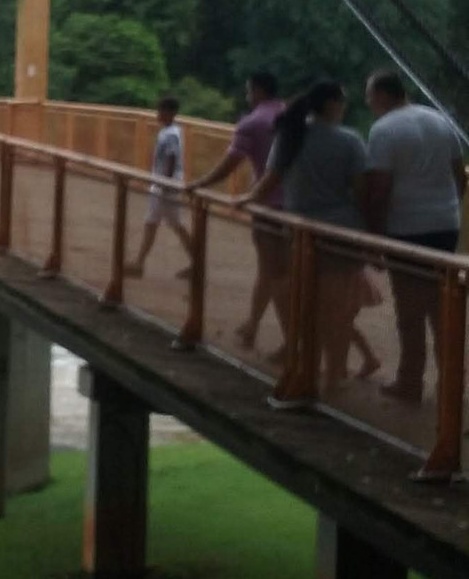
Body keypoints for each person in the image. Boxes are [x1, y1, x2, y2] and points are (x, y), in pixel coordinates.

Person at [233, 81, 380, 390]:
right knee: (337, 310)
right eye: (342, 103)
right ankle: (333, 375)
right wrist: (373, 233)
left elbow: (269, 181)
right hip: (341, 232)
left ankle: (306, 373)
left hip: (299, 231)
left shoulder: (290, 135)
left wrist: (245, 200)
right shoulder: (349, 141)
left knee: (306, 304)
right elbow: (362, 192)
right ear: (331, 105)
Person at [363, 70, 466, 404]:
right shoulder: (440, 120)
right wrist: (448, 208)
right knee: (442, 306)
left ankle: (410, 382)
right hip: (445, 223)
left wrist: (375, 238)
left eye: (369, 96)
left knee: (410, 309)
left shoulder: (383, 130)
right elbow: (458, 174)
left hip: (407, 228)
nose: (368, 103)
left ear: (381, 95)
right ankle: (450, 386)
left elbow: (378, 189)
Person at [186, 71, 289, 354]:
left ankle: (293, 343)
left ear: (256, 90)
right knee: (271, 271)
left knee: (278, 274)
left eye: (248, 91)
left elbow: (231, 162)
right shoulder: (292, 115)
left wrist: (200, 183)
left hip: (268, 205)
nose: (247, 96)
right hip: (298, 206)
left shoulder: (253, 123)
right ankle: (252, 325)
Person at [126, 96, 192, 278]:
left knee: (167, 224)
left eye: (161, 110)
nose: (158, 114)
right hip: (164, 184)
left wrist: (164, 182)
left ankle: (139, 264)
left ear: (170, 113)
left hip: (166, 185)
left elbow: (171, 158)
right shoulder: (171, 131)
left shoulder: (170, 134)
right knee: (157, 223)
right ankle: (139, 263)